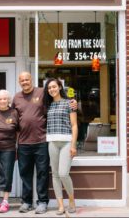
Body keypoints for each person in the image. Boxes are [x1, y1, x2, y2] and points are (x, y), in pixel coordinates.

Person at [11, 71, 77, 214]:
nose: (25, 82)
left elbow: (58, 97)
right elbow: (14, 121)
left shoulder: (42, 92)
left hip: (42, 141)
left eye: (27, 80)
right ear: (19, 82)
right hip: (23, 142)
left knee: (42, 173)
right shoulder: (16, 98)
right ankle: (26, 202)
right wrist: (16, 145)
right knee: (25, 174)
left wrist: (73, 101)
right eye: (22, 81)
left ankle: (42, 202)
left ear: (32, 80)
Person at [43, 78, 78, 215]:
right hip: (52, 141)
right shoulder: (47, 105)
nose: (52, 89)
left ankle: (71, 200)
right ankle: (61, 205)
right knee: (56, 175)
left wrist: (74, 145)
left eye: (54, 87)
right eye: (49, 88)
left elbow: (74, 126)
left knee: (63, 173)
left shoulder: (70, 103)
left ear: (60, 87)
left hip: (66, 142)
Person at [0, 90, 19, 213]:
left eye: (4, 99)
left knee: (6, 174)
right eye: (0, 99)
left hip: (9, 148)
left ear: (8, 100)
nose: (2, 101)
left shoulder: (14, 112)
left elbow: (18, 132)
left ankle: (5, 202)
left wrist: (17, 148)